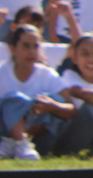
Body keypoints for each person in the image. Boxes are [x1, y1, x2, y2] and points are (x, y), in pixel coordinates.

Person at [0, 25, 66, 159]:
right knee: (13, 99)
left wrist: (52, 105)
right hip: (2, 134)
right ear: (13, 49)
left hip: (38, 139)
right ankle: (18, 142)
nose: (32, 51)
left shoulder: (48, 75)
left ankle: (21, 143)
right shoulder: (2, 72)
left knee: (56, 99)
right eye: (26, 46)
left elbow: (72, 110)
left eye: (36, 46)